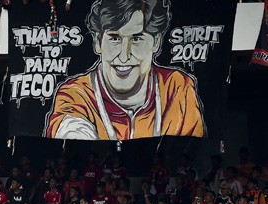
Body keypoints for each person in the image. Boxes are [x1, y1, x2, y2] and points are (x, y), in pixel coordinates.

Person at [46, 0, 204, 140]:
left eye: (136, 39)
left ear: (156, 42)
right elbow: (71, 129)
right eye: (115, 38)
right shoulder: (75, 93)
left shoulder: (177, 87)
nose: (124, 56)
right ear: (97, 42)